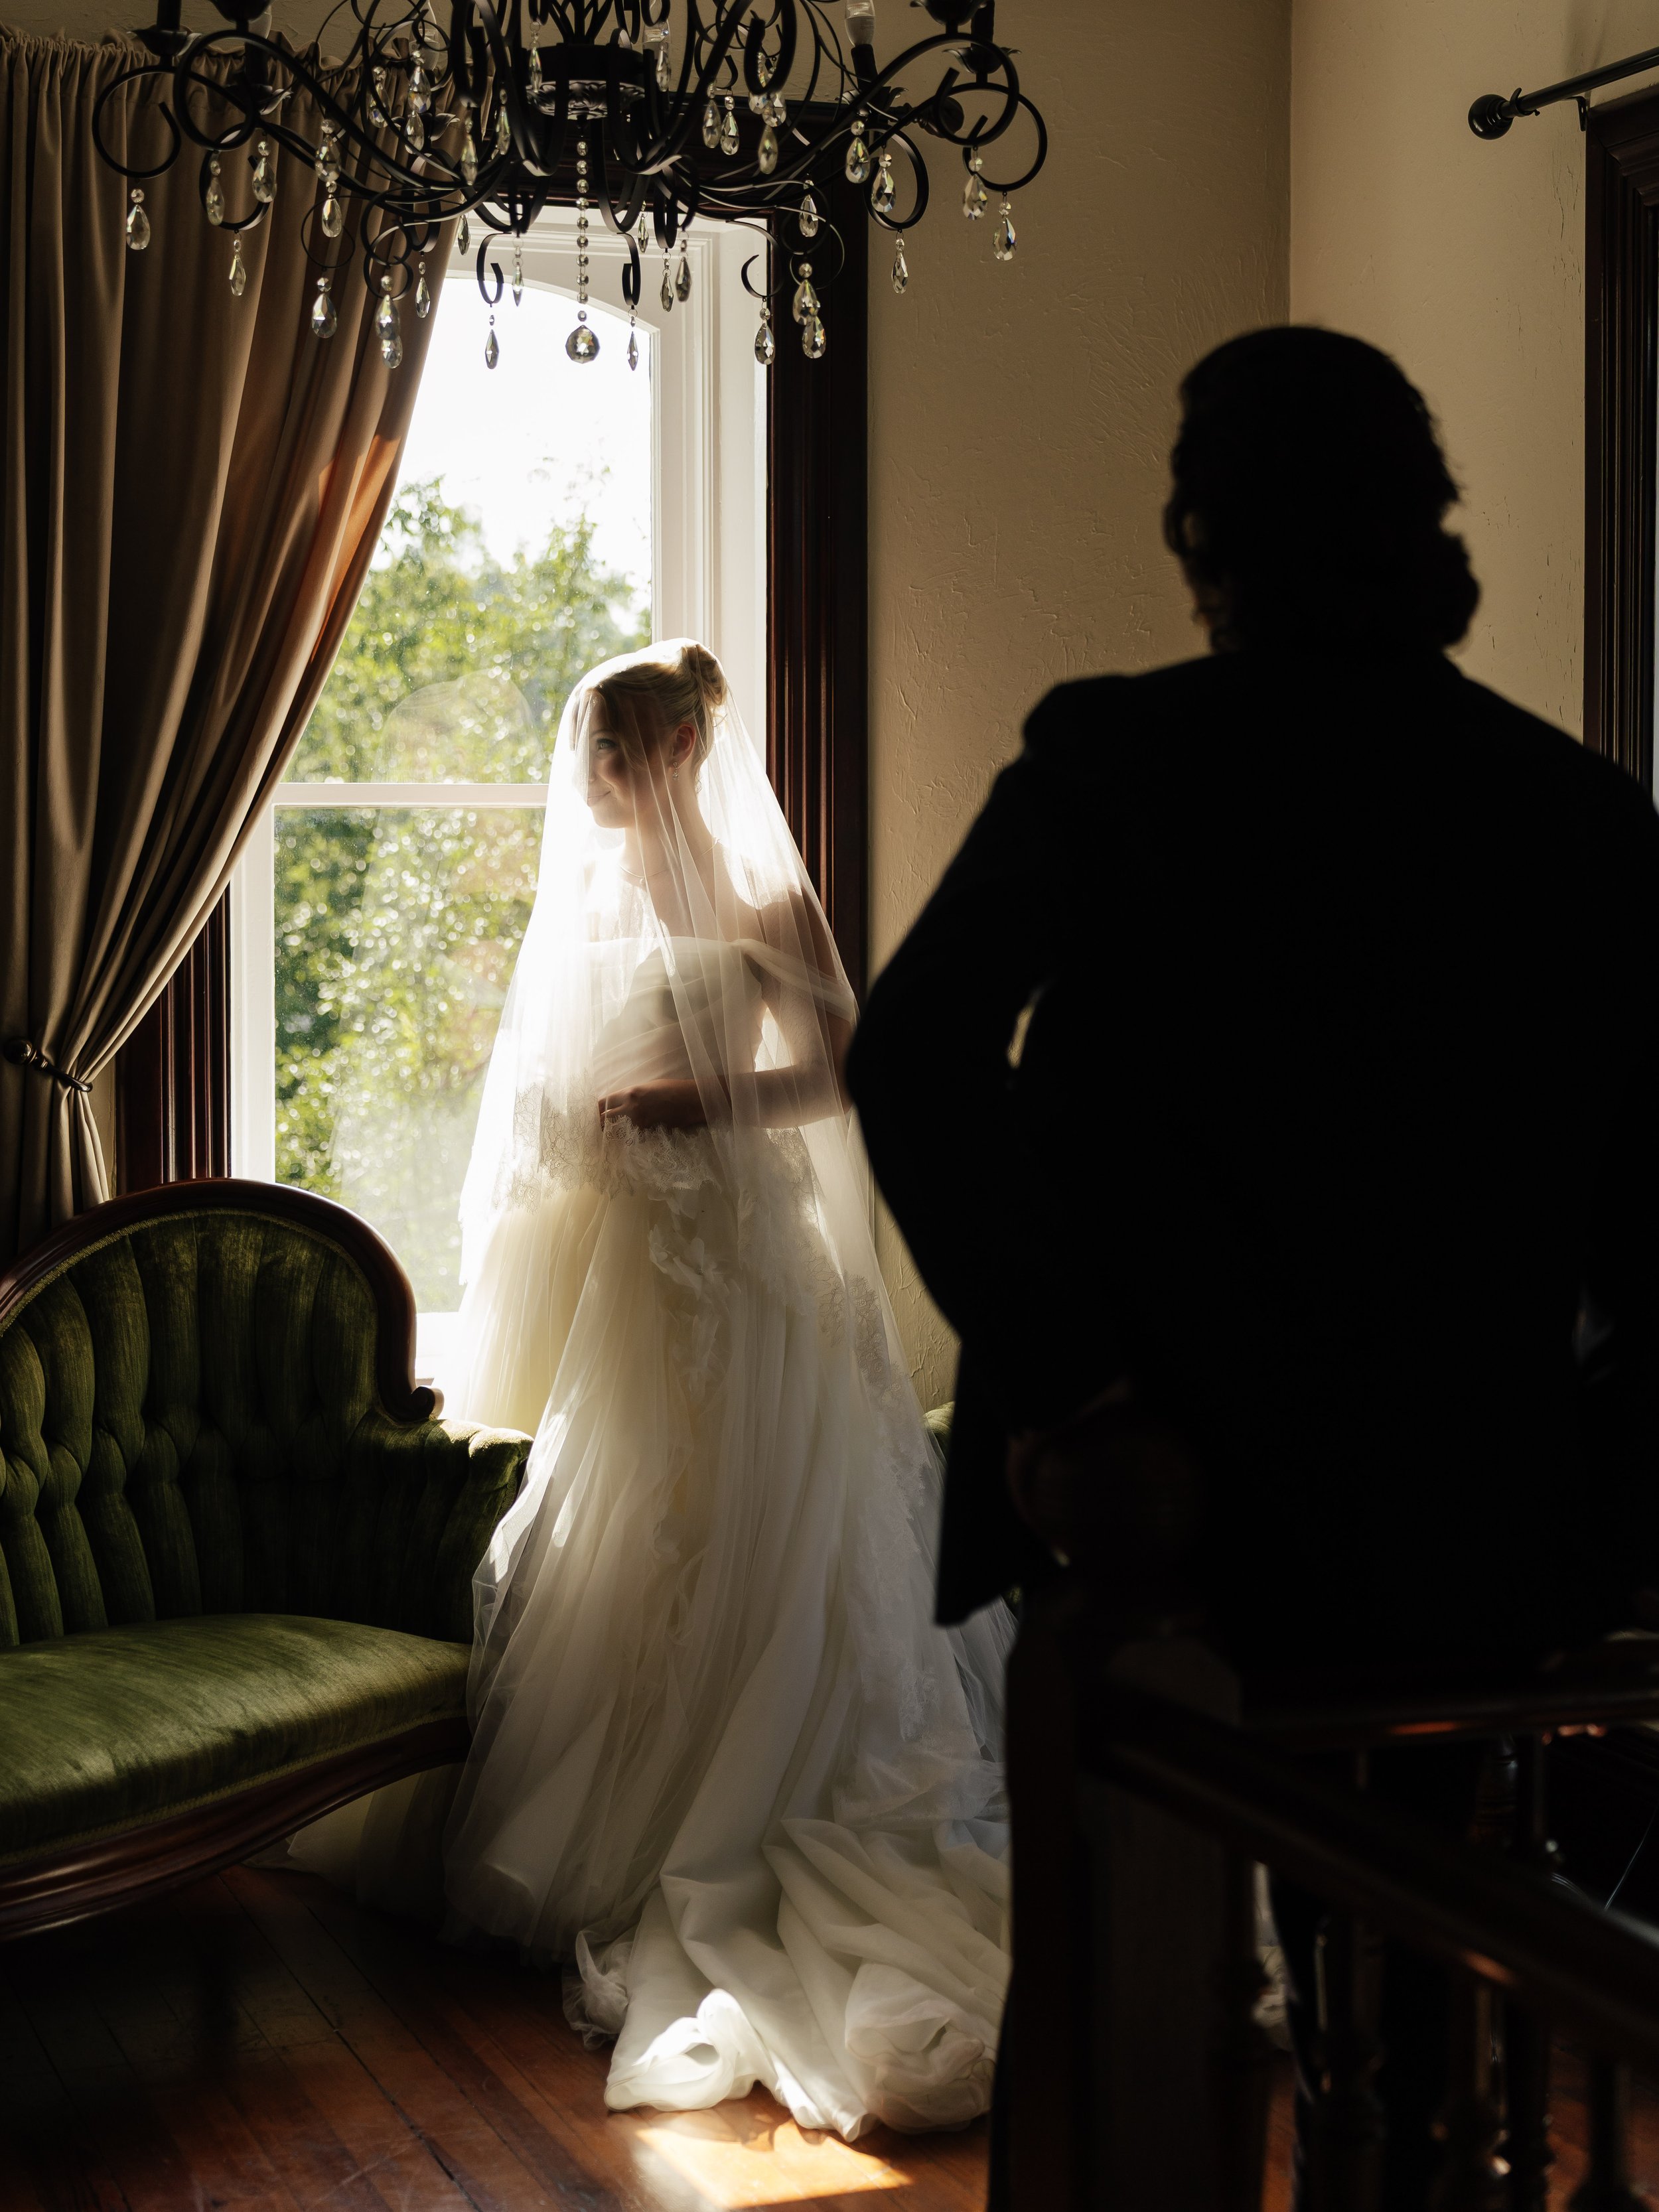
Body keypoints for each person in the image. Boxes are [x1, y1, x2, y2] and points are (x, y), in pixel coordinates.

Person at [846, 326, 1659, 2205]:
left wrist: (1077, 1391)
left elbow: (912, 1053)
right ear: (1424, 521)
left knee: (1136, 1974)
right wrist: (1598, 1504)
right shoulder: (1580, 810)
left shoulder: (1114, 758)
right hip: (1471, 1511)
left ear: (1201, 534)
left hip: (1173, 1511)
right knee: (1424, 1928)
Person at [294, 639, 1013, 2144]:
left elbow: (840, 1072)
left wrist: (692, 1100)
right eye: (595, 757)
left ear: (678, 750)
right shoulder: (592, 903)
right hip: (619, 1252)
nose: (600, 780)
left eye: (618, 754)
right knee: (619, 1528)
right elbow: (552, 1084)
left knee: (751, 1522)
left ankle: (740, 1800)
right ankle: (617, 1797)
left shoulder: (757, 903)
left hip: (733, 1253)